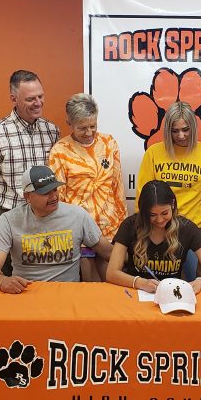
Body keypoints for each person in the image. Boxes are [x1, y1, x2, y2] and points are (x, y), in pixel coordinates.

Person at [0, 70, 60, 273]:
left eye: (40, 96)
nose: (38, 103)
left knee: (43, 278)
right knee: (1, 276)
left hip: (43, 219)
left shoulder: (52, 132)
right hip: (5, 215)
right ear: (13, 99)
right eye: (30, 99)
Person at [0, 165, 112, 294]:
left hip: (68, 295)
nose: (54, 197)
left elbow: (108, 252)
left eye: (55, 189)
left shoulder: (78, 215)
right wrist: (1, 280)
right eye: (45, 192)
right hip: (27, 294)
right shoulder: (9, 220)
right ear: (27, 196)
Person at [136, 101, 201, 279]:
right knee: (154, 285)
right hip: (158, 229)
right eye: (174, 131)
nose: (181, 135)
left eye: (186, 129)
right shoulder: (153, 153)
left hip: (193, 232)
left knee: (194, 284)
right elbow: (143, 198)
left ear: (194, 127)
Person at [47, 93, 125, 282]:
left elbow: (117, 185)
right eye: (82, 128)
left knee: (112, 282)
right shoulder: (60, 151)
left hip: (110, 227)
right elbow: (58, 196)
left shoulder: (109, 143)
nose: (89, 132)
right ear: (70, 123)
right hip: (80, 230)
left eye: (93, 126)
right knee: (89, 286)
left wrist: (123, 224)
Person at [107, 180, 201, 294]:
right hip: (135, 293)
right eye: (152, 215)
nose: (160, 220)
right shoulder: (130, 225)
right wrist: (139, 283)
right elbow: (111, 273)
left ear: (173, 204)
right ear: (143, 212)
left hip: (172, 296)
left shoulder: (187, 228)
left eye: (165, 213)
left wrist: (200, 282)